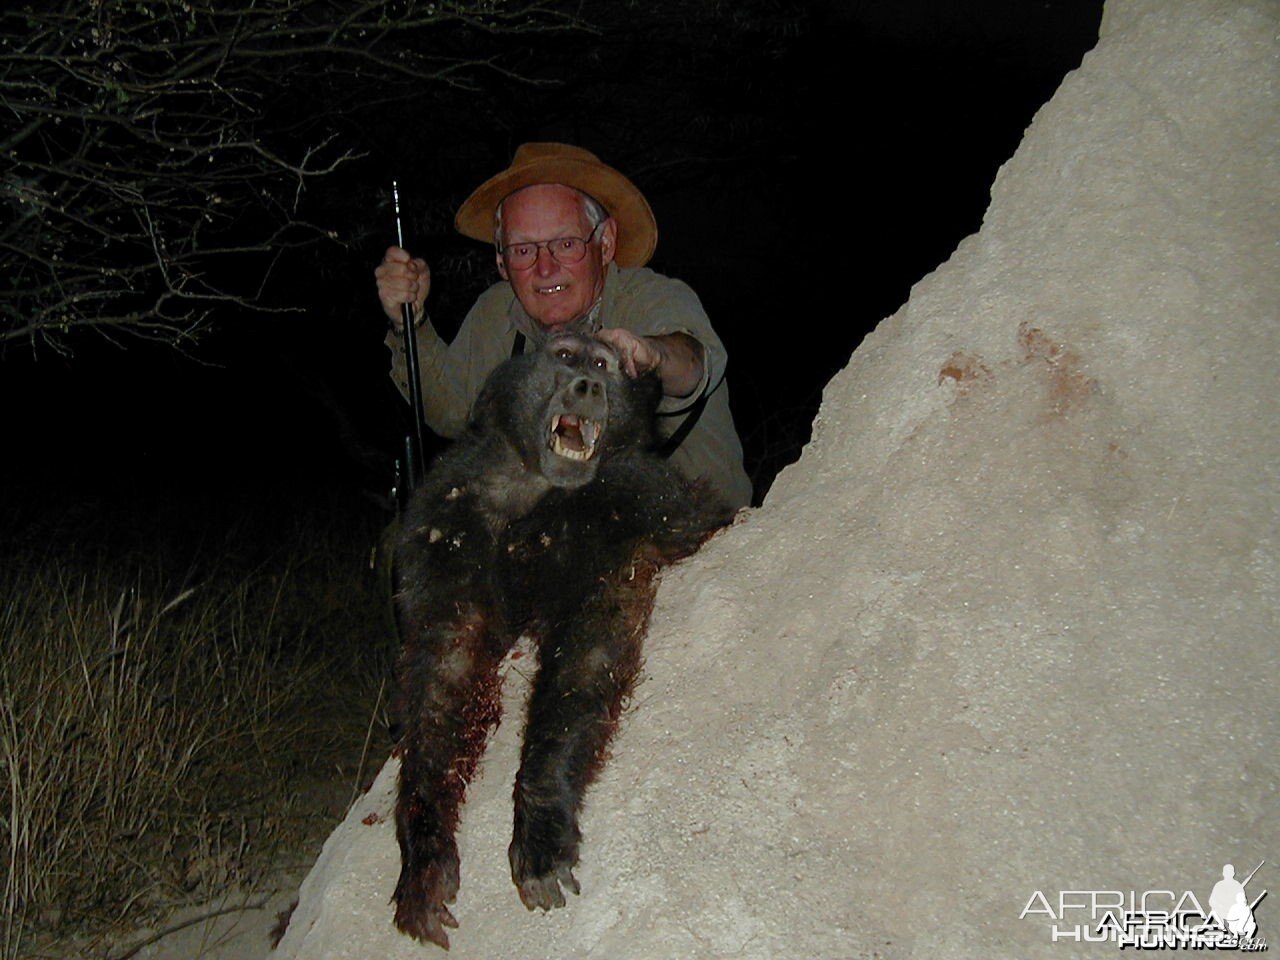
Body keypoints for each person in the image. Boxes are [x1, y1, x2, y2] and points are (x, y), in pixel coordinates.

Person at [375, 142, 753, 510]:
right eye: (524, 250)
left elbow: (694, 366)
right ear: (502, 262)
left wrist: (649, 356)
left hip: (697, 543)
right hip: (569, 544)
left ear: (605, 244)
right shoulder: (496, 313)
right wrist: (411, 321)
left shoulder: (652, 297)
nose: (544, 267)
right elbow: (454, 412)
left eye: (566, 244)